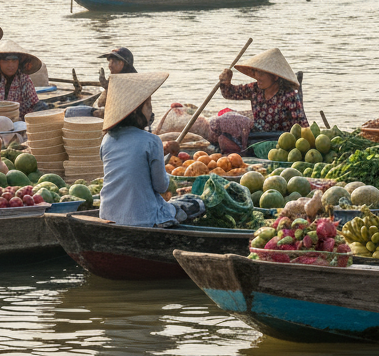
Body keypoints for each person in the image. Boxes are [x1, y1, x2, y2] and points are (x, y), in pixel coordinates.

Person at [99, 72, 206, 227]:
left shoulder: (106, 140)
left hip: (107, 214)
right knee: (198, 204)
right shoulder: (152, 141)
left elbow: (129, 164)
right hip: (145, 219)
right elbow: (161, 186)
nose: (150, 110)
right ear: (135, 111)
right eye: (148, 105)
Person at [217, 48, 309, 134]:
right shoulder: (255, 89)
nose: (257, 78)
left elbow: (302, 125)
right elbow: (230, 93)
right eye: (256, 73)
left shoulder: (289, 95)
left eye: (261, 74)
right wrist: (225, 82)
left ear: (275, 76)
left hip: (279, 139)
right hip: (257, 135)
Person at [0, 40, 45, 117]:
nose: (10, 65)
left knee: (42, 106)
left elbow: (34, 102)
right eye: (6, 61)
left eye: (14, 61)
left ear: (19, 62)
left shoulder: (23, 77)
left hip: (18, 120)